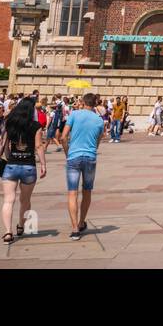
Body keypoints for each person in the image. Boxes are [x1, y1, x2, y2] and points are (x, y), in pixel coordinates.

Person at [0, 97, 46, 244]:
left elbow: (3, 144)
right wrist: (43, 164)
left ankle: (7, 232)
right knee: (25, 200)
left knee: (8, 200)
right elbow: (38, 146)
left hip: (11, 165)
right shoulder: (36, 126)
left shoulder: (10, 123)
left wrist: (1, 158)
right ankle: (21, 226)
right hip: (29, 166)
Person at [63, 92, 105, 241]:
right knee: (87, 191)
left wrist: (68, 152)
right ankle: (81, 222)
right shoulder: (100, 121)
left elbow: (63, 137)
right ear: (96, 103)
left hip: (73, 157)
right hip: (90, 157)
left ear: (82, 101)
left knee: (72, 193)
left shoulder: (74, 115)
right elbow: (98, 141)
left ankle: (74, 229)